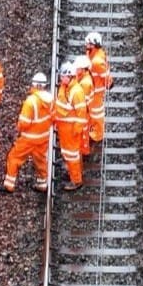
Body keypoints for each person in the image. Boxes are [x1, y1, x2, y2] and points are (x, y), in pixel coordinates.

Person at [0, 72, 53, 193]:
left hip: (29, 138)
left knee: (14, 157)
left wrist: (18, 129)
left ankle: (9, 185)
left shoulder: (31, 101)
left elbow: (24, 123)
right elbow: (53, 116)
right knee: (40, 160)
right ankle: (42, 184)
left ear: (34, 84)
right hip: (43, 136)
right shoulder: (50, 99)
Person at [54, 61, 86, 191]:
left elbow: (81, 112)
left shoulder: (76, 92)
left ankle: (76, 180)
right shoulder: (66, 87)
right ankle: (73, 174)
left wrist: (77, 129)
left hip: (71, 130)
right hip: (65, 129)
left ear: (70, 76)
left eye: (63, 77)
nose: (61, 79)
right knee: (69, 154)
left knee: (72, 156)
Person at [84, 31, 112, 143]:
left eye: (88, 43)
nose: (86, 45)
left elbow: (106, 76)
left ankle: (98, 135)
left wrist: (108, 85)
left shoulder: (97, 61)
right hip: (92, 89)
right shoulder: (94, 53)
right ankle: (93, 129)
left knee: (97, 113)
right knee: (91, 112)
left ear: (93, 44)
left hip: (96, 92)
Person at [72, 55, 95, 157]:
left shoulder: (85, 83)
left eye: (77, 68)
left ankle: (84, 152)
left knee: (83, 133)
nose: (76, 70)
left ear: (83, 69)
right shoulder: (85, 78)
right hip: (85, 112)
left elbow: (82, 102)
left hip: (84, 113)